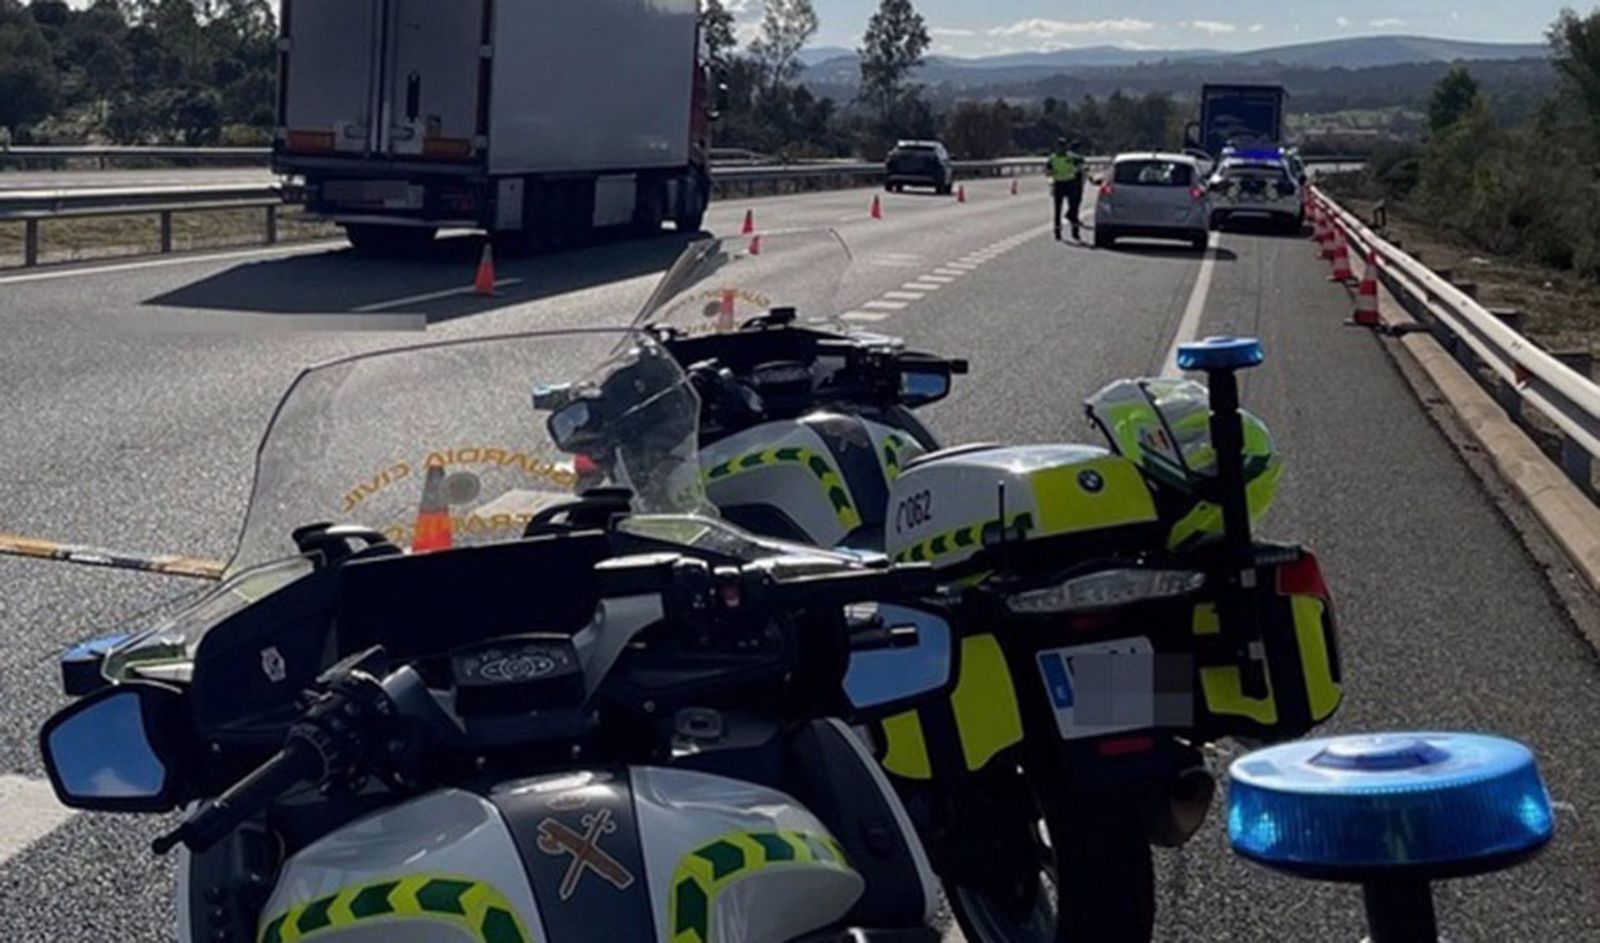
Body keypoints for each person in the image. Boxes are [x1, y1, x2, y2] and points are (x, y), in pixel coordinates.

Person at [1047, 137, 1087, 241]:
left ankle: (1075, 231)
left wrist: (1077, 171)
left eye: (1063, 146)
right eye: (1060, 146)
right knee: (1057, 210)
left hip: (1070, 183)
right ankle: (1057, 232)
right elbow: (1047, 171)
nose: (1061, 148)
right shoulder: (1052, 158)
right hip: (1059, 184)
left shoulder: (1072, 157)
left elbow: (1081, 165)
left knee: (1073, 207)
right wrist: (1052, 175)